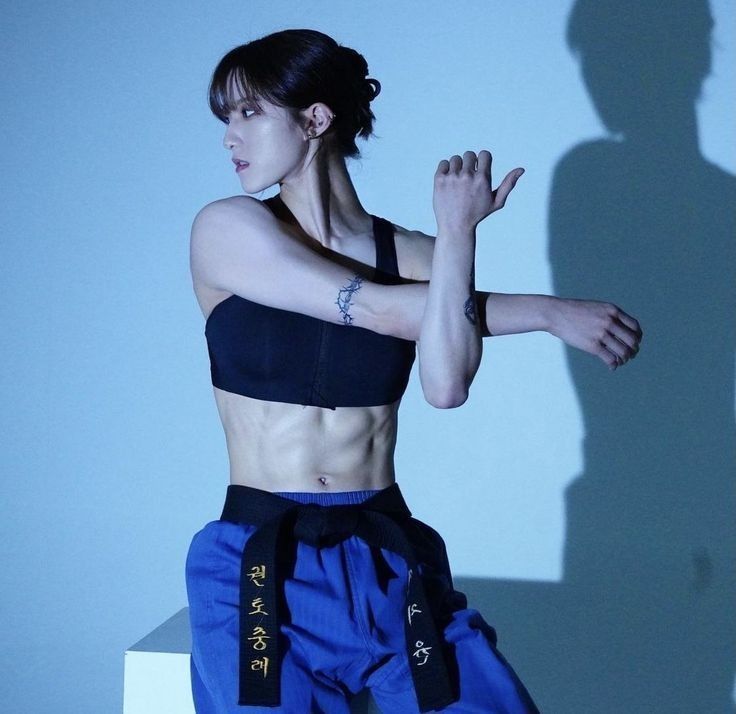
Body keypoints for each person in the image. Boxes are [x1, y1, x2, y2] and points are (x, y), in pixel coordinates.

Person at [184, 28, 642, 714]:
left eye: (249, 112)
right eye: (226, 118)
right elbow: (372, 308)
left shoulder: (424, 255)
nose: (229, 135)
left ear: (315, 118)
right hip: (262, 560)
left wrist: (457, 235)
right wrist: (545, 311)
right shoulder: (227, 230)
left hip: (384, 553)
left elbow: (446, 385)